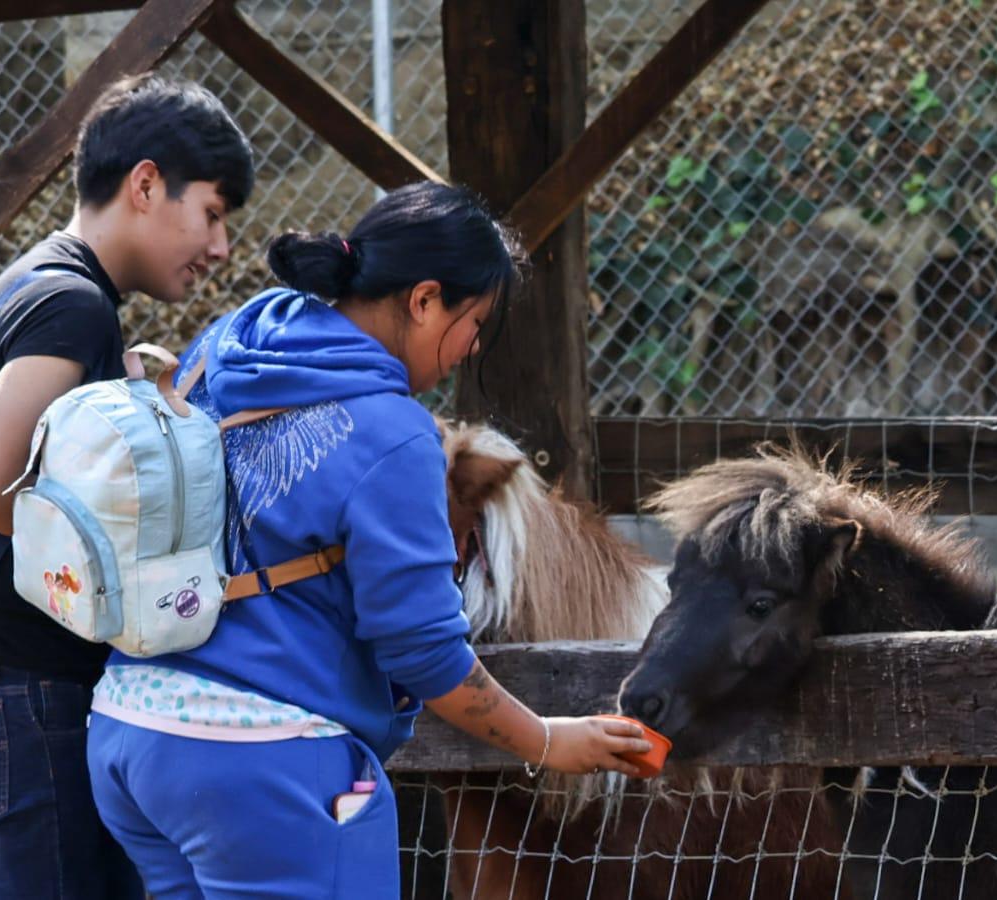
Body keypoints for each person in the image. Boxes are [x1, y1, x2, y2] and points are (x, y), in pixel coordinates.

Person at [86, 182, 654, 899]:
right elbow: (423, 651)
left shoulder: (229, 347)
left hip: (130, 731)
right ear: (423, 301)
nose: (473, 346)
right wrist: (548, 740)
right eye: (474, 320)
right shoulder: (394, 435)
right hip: (262, 767)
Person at [0, 73, 254, 899]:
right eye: (213, 214)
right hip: (26, 695)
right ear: (146, 184)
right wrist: (132, 574)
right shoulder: (70, 306)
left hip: (22, 692)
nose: (219, 248)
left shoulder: (41, 284)